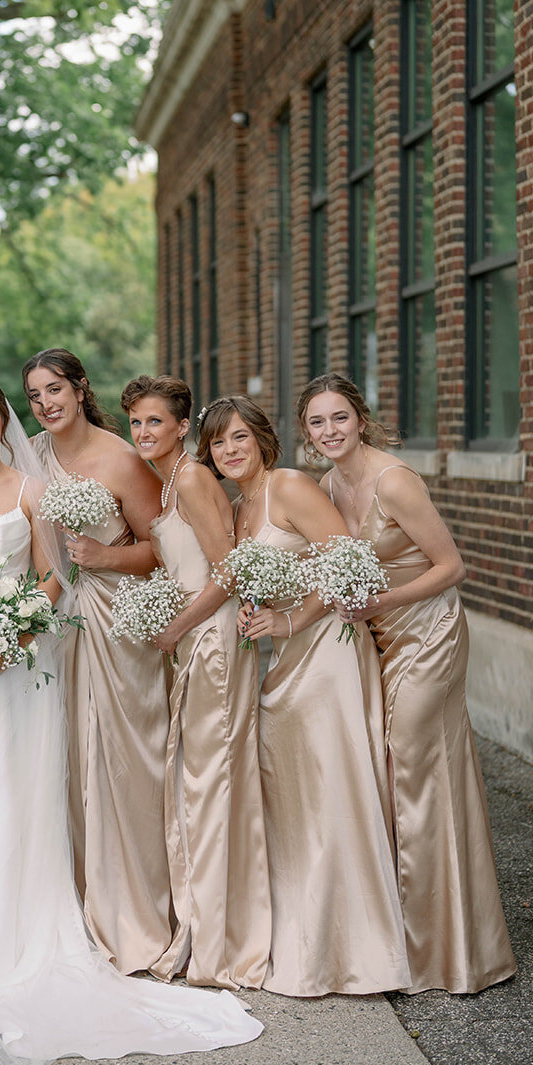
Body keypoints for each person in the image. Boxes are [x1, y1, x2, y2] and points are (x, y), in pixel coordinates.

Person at [0, 378, 262, 1065]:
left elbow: (51, 577)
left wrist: (5, 638)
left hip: (17, 666)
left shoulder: (32, 489)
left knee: (14, 795)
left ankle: (11, 943)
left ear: (1, 423)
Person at [298, 372, 515, 994]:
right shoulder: (326, 484)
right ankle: (404, 934)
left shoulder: (396, 480)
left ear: (360, 420)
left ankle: (438, 951)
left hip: (428, 632)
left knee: (410, 766)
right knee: (394, 768)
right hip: (378, 637)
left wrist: (380, 601)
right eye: (317, 423)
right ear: (308, 434)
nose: (330, 431)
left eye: (339, 417)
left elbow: (452, 566)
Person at [196, 395, 409, 997]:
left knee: (336, 791)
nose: (230, 450)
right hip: (287, 662)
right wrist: (258, 616)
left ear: (262, 438)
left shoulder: (289, 486)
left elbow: (350, 563)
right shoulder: (240, 508)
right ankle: (313, 939)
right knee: (300, 798)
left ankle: (364, 951)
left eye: (239, 437)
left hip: (330, 653)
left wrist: (290, 622)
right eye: (218, 443)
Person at [22, 348, 173, 975]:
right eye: (34, 395)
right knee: (68, 761)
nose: (46, 403)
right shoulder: (26, 455)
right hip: (58, 624)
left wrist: (102, 557)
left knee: (127, 758)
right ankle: (80, 905)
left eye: (55, 389)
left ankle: (140, 910)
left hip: (119, 622)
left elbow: (162, 551)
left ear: (81, 390)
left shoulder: (122, 458)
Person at [122, 376, 269, 989]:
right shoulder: (167, 481)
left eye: (155, 422)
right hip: (191, 641)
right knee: (195, 780)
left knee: (210, 782)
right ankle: (201, 927)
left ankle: (217, 942)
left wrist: (174, 626)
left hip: (212, 644)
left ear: (182, 427)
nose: (143, 433)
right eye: (135, 424)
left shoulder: (191, 478)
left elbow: (228, 569)